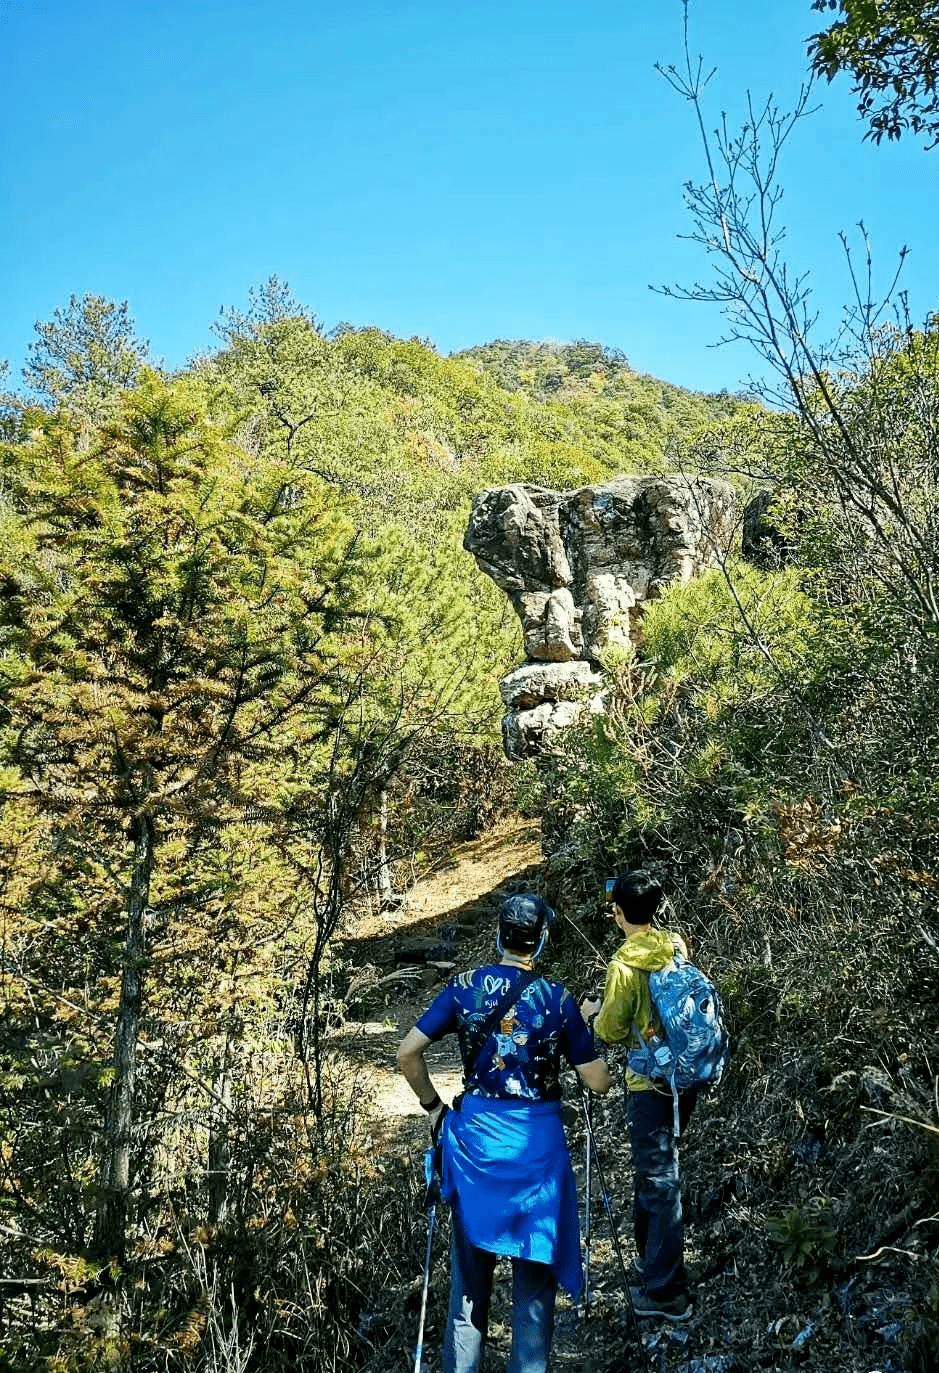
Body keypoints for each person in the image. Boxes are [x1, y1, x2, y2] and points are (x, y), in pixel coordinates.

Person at [397, 892, 611, 1373]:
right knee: (533, 1286)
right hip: (537, 1155)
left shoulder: (463, 988)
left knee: (470, 1284)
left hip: (476, 1149)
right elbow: (597, 1081)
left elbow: (408, 1053)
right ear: (541, 940)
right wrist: (586, 1029)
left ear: (499, 934)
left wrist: (434, 1110)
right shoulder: (559, 1000)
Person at [580, 870, 696, 1324]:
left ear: (618, 913)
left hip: (649, 1085)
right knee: (656, 1176)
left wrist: (592, 1013)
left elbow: (610, 1029)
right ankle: (654, 1272)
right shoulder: (677, 945)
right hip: (683, 1078)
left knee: (658, 1179)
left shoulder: (625, 966)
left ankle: (667, 1293)